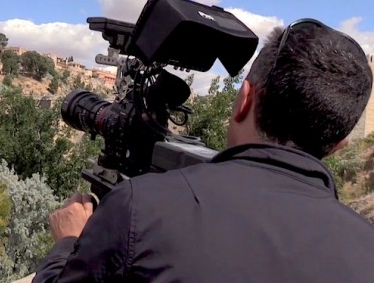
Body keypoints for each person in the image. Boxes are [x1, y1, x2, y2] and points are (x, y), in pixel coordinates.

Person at [32, 18, 374, 282]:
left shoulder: (140, 209)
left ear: (244, 100)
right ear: (338, 144)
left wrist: (67, 243)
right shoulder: (365, 249)